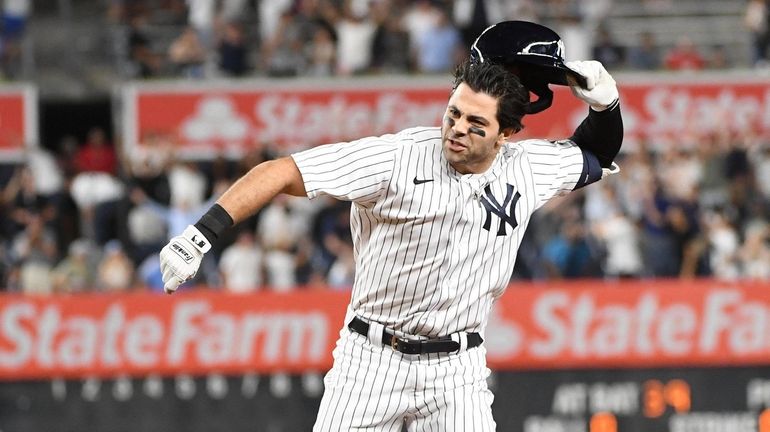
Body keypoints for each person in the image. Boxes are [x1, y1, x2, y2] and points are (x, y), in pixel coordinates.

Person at [159, 20, 623, 431]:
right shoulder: (395, 158)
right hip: (371, 358)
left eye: (476, 124)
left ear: (507, 134)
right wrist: (199, 236)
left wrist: (606, 105)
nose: (458, 128)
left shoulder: (527, 168)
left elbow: (596, 152)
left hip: (457, 368)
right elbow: (280, 171)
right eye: (453, 113)